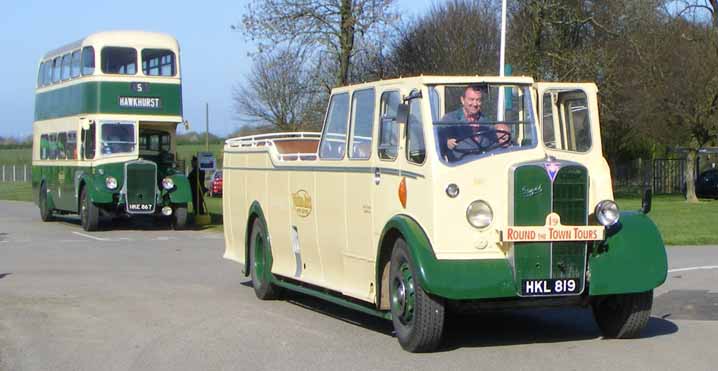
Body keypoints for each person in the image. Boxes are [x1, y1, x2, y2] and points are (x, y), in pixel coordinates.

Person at [439, 84, 511, 162]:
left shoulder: (487, 123)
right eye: (471, 99)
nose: (475, 104)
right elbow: (437, 144)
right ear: (462, 100)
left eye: (478, 100)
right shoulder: (450, 120)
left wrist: (504, 139)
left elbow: (495, 145)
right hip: (459, 167)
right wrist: (447, 143)